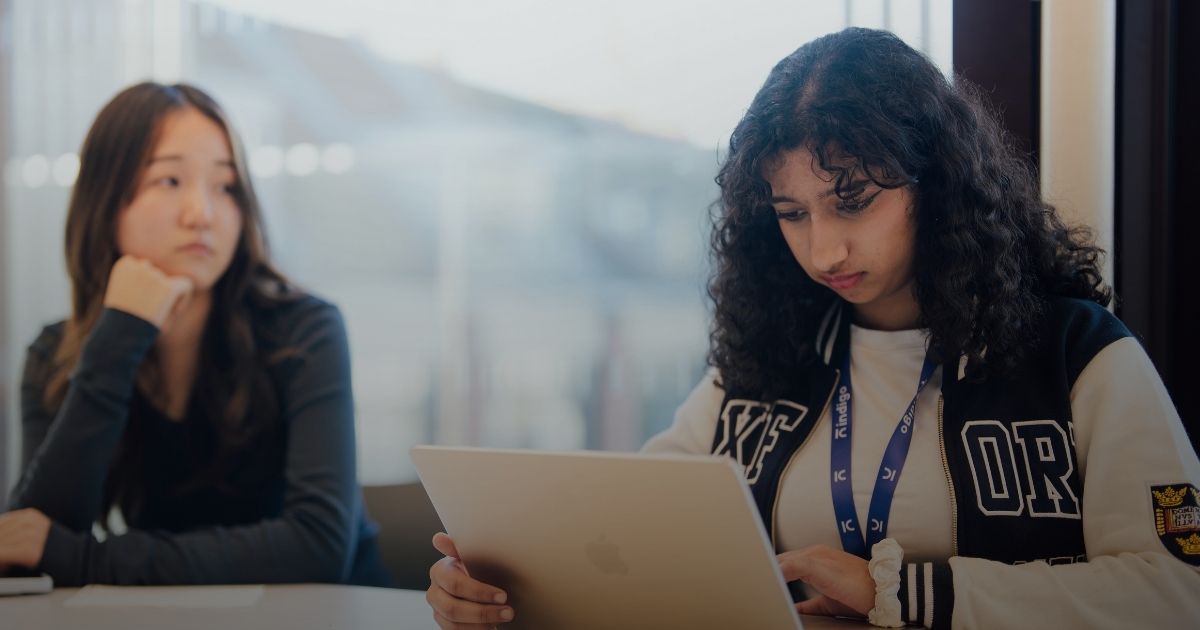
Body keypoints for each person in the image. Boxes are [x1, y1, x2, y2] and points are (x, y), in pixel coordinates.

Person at [424, 28, 1200, 629]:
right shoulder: (767, 361)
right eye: (792, 214)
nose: (823, 249)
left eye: (853, 200)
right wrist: (506, 585)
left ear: (940, 183)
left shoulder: (1078, 353)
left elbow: (1179, 590)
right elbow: (631, 534)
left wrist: (895, 593)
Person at [0, 82, 391, 587]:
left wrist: (89, 562)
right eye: (169, 181)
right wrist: (119, 336)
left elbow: (318, 548)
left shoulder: (303, 329)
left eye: (225, 187)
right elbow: (32, 543)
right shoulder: (55, 353)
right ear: (106, 199)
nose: (202, 214)